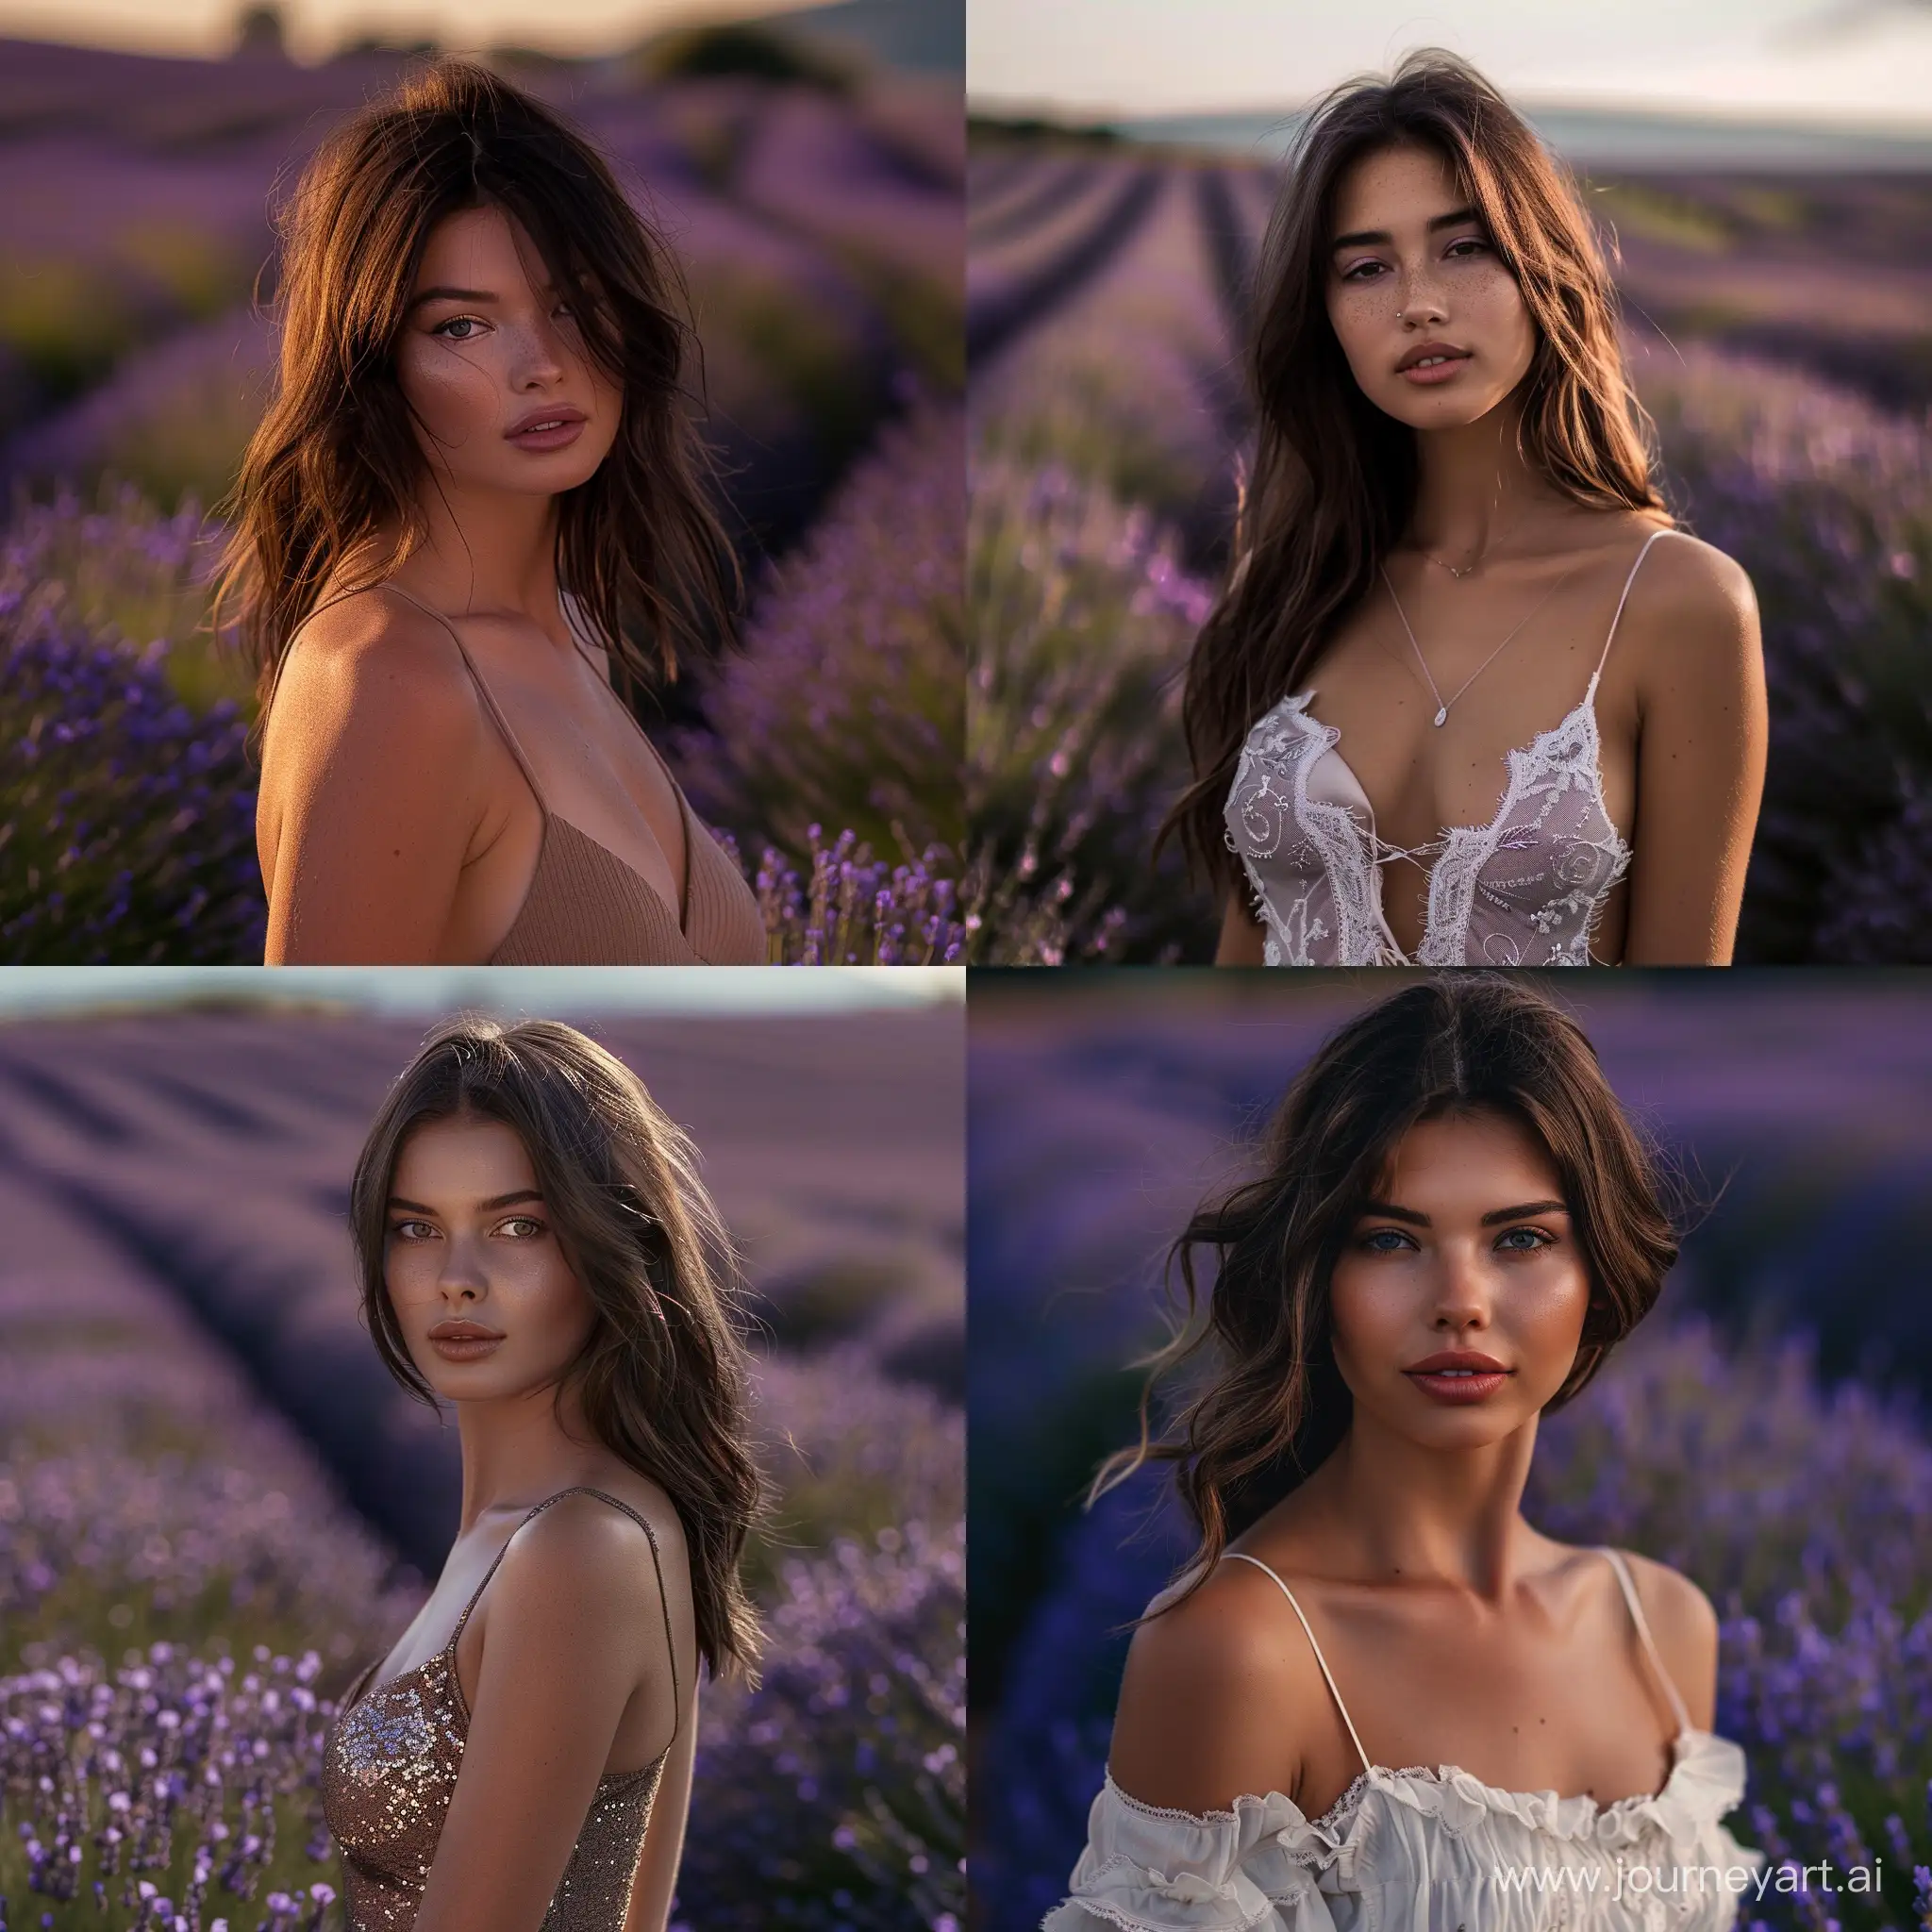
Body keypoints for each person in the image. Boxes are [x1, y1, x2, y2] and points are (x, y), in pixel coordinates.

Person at [1046, 977, 1763, 1929]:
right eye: (1389, 1238)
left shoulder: (1663, 1627)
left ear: (1595, 1268)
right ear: (1313, 1276)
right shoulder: (1240, 1652)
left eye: (1518, 1237)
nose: (1458, 1299)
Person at [1161, 53, 1766, 966]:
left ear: (1540, 269)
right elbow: (1239, 973)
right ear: (1321, 314)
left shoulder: (1680, 604)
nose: (1418, 304)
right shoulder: (1285, 585)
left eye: (1463, 247)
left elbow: (1681, 990)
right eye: (1365, 268)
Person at [218, 58, 765, 965]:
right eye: (462, 327)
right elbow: (332, 1058)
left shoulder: (575, 633)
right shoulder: (387, 682)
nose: (543, 362)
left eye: (573, 304)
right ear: (375, 368)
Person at [320, 1016, 765, 1930]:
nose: (456, 1277)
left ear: (610, 1239)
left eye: (516, 1224)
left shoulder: (578, 1548)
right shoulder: (524, 1531)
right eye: (416, 1227)